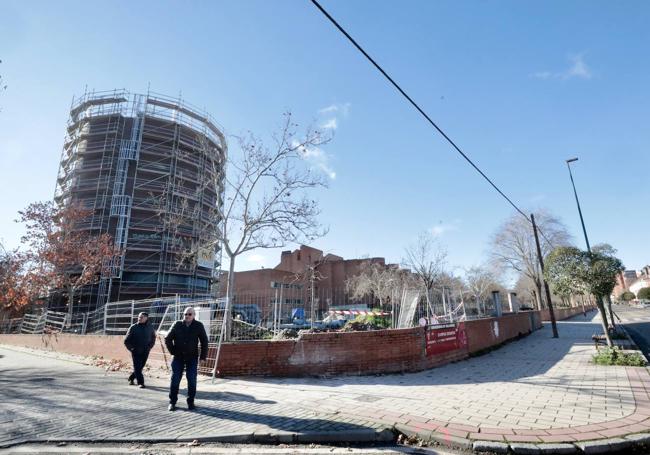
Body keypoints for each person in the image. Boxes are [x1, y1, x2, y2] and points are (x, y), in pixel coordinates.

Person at [164, 307, 209, 411]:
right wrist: (173, 351)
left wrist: (203, 357)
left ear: (194, 315)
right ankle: (172, 402)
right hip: (178, 357)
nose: (187, 316)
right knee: (175, 379)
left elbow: (204, 342)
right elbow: (168, 338)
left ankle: (191, 402)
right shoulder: (177, 324)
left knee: (192, 380)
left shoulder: (198, 325)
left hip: (192, 357)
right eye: (185, 314)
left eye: (189, 314)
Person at [124, 312, 156, 388]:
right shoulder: (133, 327)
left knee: (140, 367)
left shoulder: (150, 327)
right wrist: (132, 349)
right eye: (139, 317)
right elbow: (126, 341)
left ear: (146, 318)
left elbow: (153, 337)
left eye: (141, 317)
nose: (139, 318)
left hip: (146, 351)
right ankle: (141, 382)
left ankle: (131, 377)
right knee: (138, 367)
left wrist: (150, 346)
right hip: (136, 351)